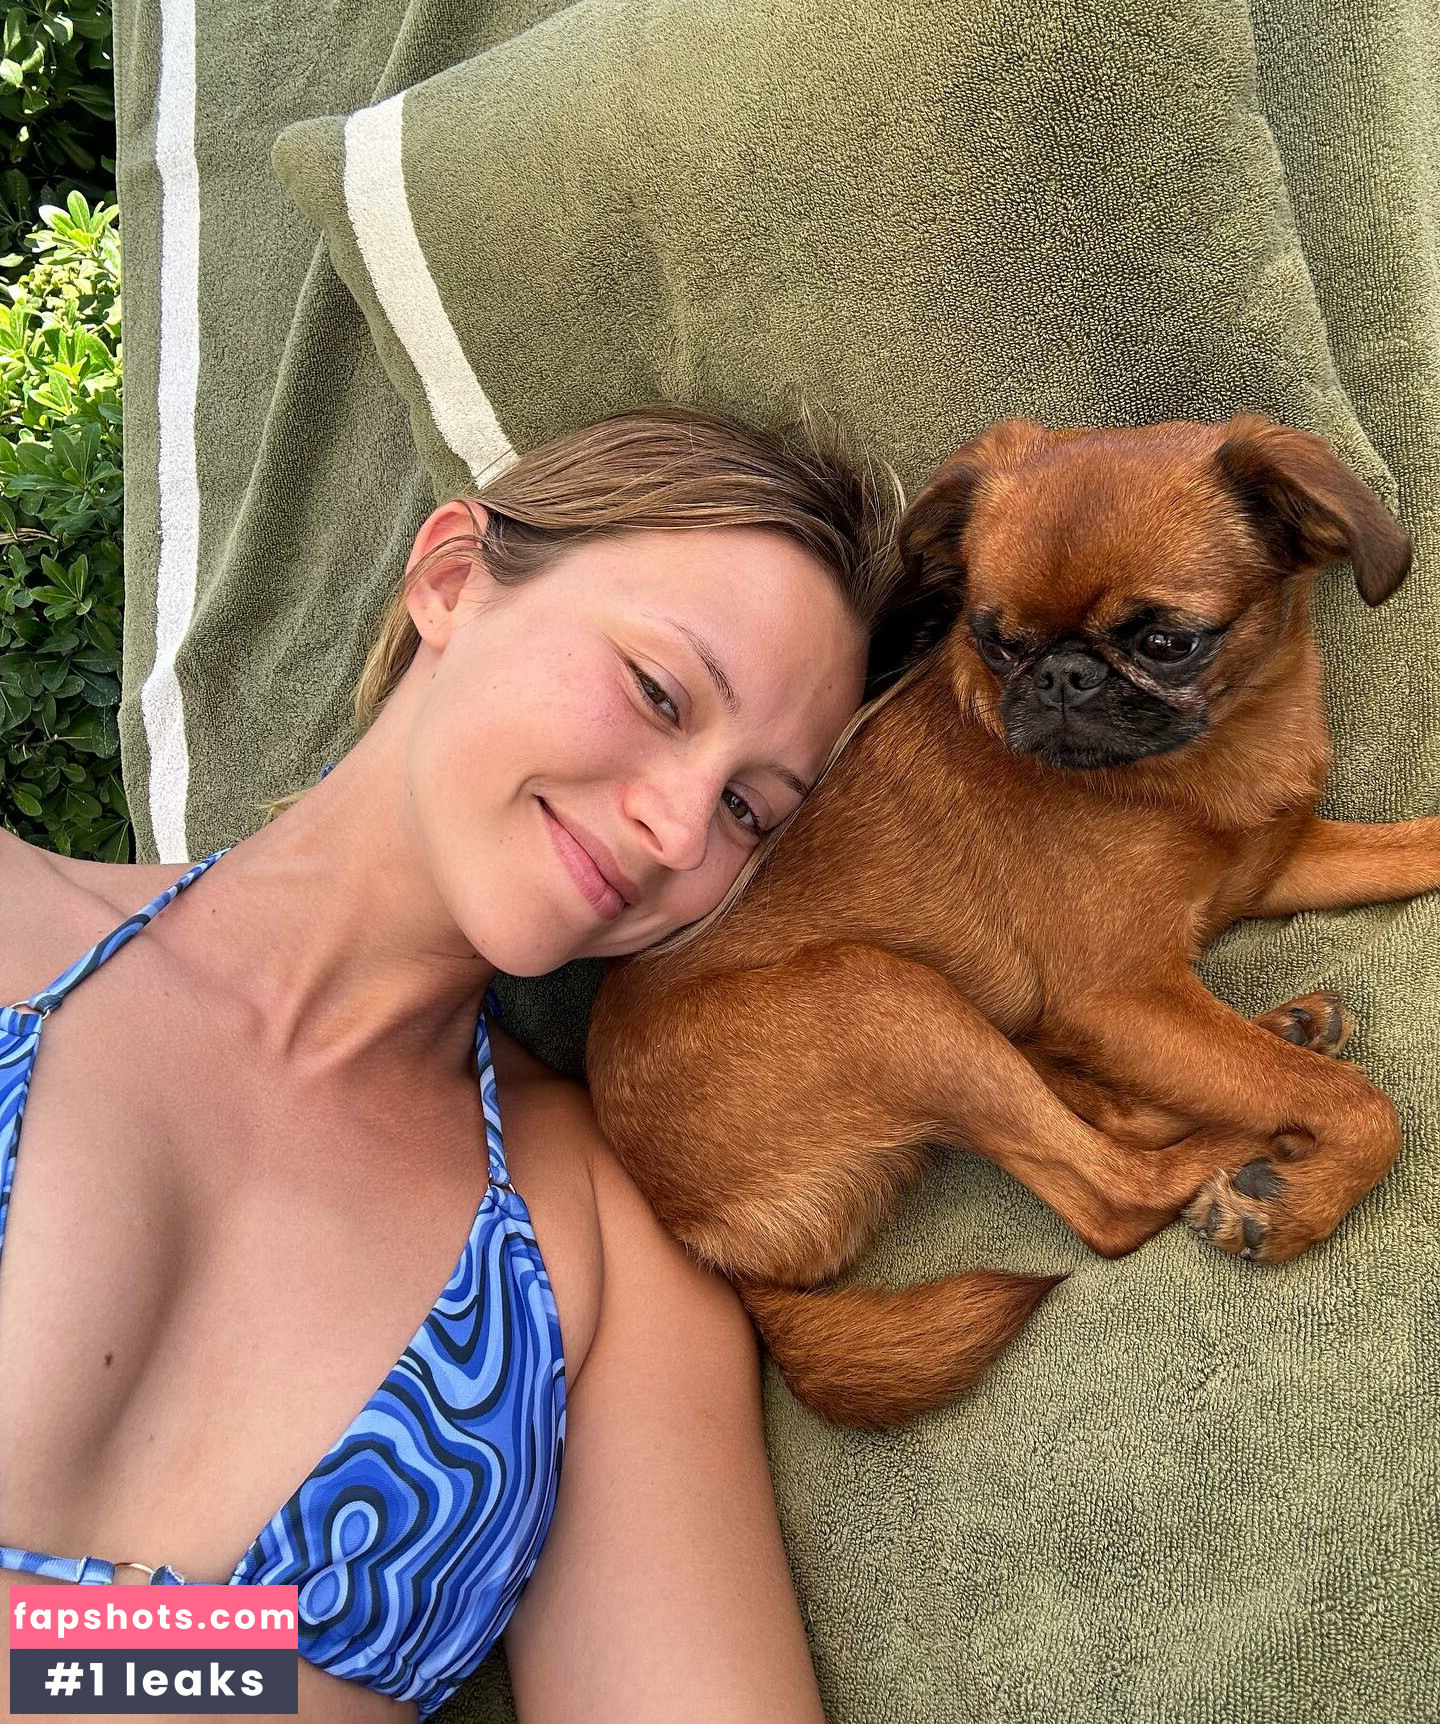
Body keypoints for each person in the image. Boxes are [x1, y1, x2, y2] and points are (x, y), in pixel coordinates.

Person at [0, 403, 919, 1723]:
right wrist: (213, 1670)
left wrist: (101, 1659)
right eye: (660, 694)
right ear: (451, 579)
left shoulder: (601, 1261)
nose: (677, 830)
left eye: (746, 809)